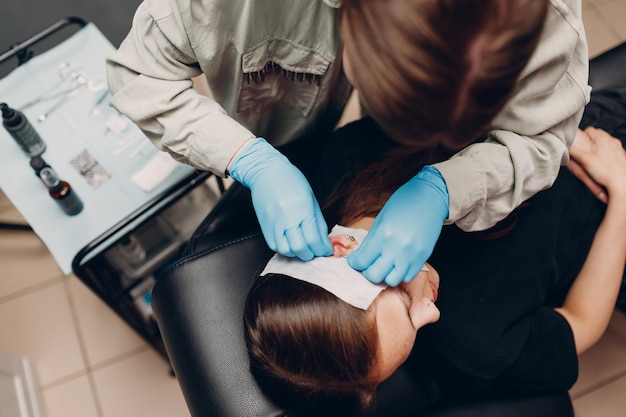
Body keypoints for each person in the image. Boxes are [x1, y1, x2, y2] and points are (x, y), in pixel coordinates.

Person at [106, 0, 589, 286]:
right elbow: (140, 76)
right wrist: (248, 158)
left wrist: (450, 186)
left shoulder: (544, 16)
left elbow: (541, 138)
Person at [243, 86, 626, 415]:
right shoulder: (480, 344)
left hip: (569, 120)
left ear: (342, 245)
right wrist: (622, 193)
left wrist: (549, 131)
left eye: (407, 306)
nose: (432, 313)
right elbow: (583, 320)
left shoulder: (347, 158)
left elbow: (468, 88)